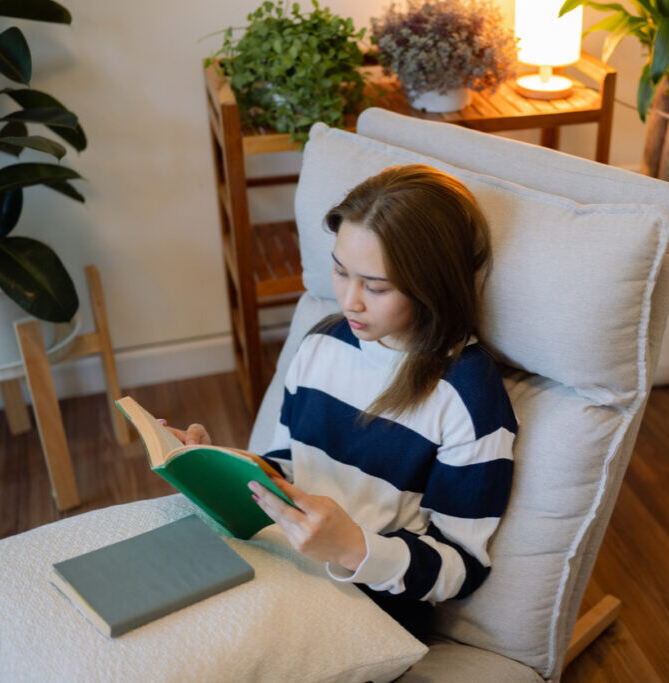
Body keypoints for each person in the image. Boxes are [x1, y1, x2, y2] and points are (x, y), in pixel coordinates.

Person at [166, 164, 517, 639]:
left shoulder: (468, 400)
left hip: (376, 607)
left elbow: (462, 567)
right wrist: (217, 463)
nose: (350, 300)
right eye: (339, 270)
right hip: (284, 563)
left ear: (433, 284)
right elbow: (291, 464)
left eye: (375, 286)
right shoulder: (322, 344)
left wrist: (354, 548)